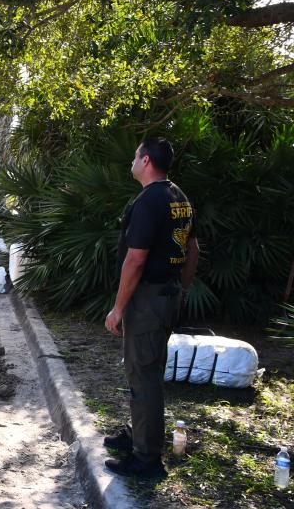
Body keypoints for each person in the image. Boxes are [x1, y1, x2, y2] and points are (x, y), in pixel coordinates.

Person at [103, 136, 199, 479]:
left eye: (134, 154)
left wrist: (118, 308)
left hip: (147, 300)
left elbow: (136, 259)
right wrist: (179, 289)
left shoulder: (149, 200)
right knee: (148, 371)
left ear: (145, 161)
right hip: (167, 296)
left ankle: (146, 460)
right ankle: (138, 434)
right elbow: (193, 250)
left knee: (143, 377)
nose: (132, 160)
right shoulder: (179, 198)